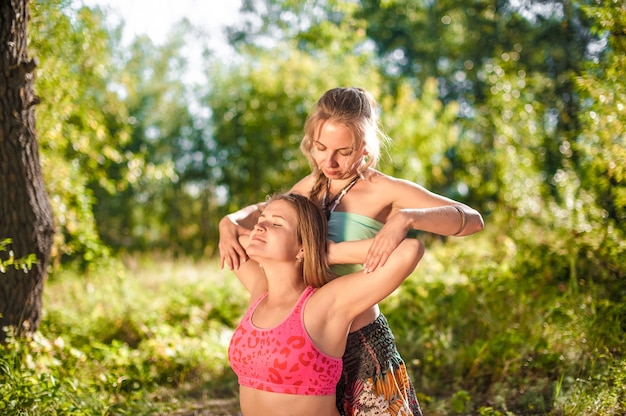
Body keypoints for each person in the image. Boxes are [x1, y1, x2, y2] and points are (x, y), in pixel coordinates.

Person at [219, 86, 485, 415]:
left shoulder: (384, 189)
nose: (328, 161)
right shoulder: (308, 186)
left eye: (343, 151)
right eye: (320, 148)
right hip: (304, 339)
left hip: (360, 342)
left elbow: (472, 220)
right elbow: (268, 213)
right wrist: (229, 221)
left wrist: (407, 217)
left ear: (364, 145)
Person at [227, 193, 424, 416]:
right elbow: (230, 238)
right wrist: (230, 224)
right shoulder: (259, 292)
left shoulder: (324, 304)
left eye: (276, 223)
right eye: (261, 219)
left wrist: (327, 252)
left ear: (302, 247)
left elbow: (409, 250)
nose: (261, 226)